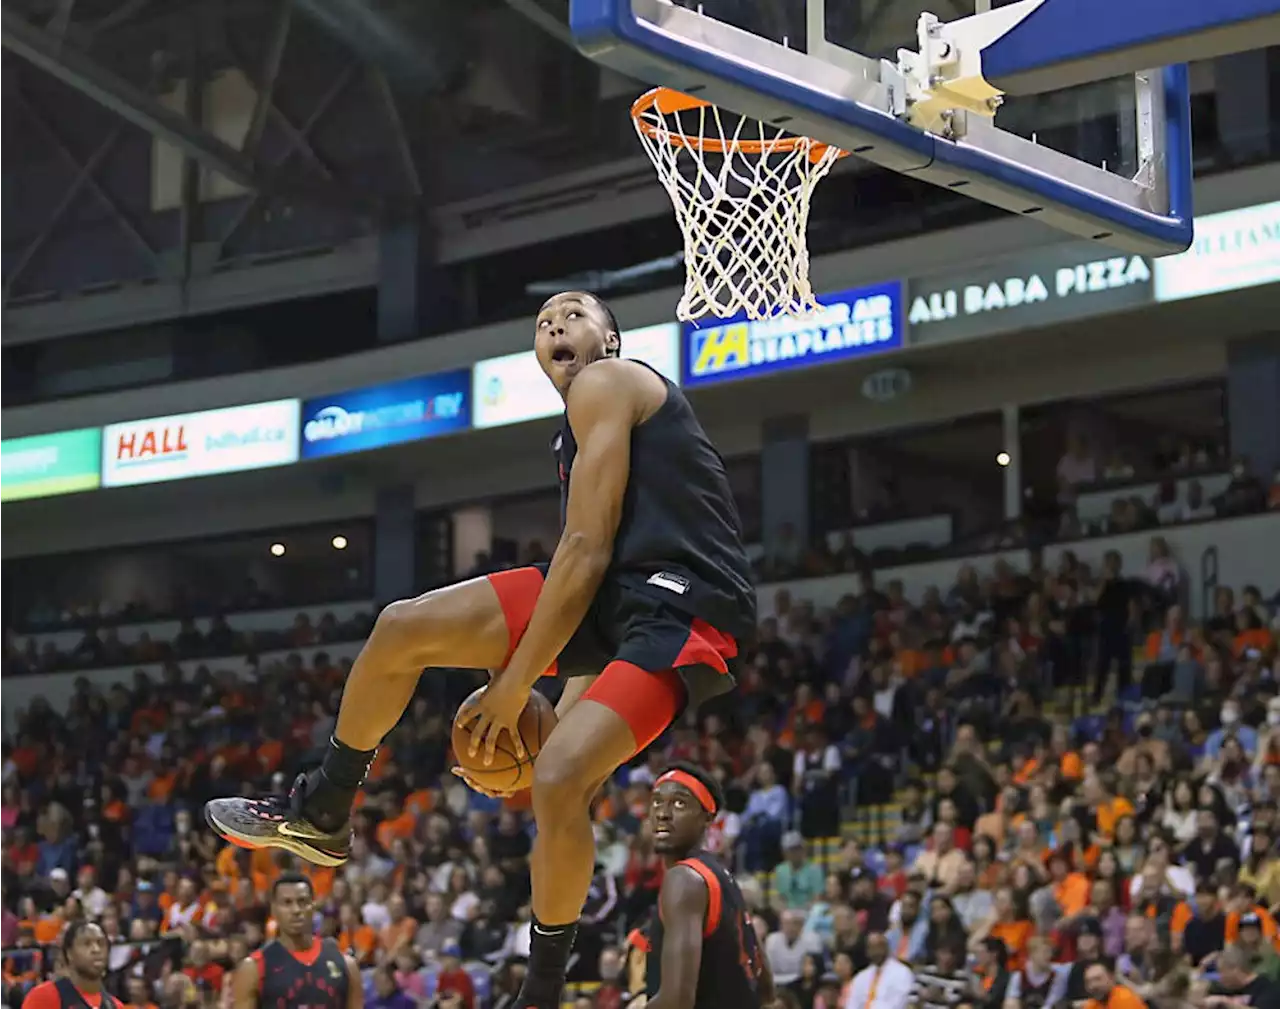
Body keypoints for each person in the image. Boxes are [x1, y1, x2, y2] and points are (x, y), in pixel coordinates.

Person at [206, 290, 756, 1009]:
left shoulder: (609, 381)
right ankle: (326, 804)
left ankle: (543, 987)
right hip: (620, 598)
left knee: (559, 779)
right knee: (402, 628)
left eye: (573, 313)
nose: (555, 325)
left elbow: (583, 552)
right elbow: (585, 597)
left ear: (611, 338)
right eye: (542, 321)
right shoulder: (576, 427)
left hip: (685, 601)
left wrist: (509, 688)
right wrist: (524, 735)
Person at [637, 762, 775, 1009]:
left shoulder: (684, 879)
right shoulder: (723, 876)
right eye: (657, 801)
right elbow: (765, 986)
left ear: (707, 819)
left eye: (679, 803)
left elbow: (677, 1002)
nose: (663, 813)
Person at [230, 874, 361, 1009]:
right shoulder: (254, 968)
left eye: (302, 902)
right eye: (287, 902)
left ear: (313, 906)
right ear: (274, 910)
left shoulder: (346, 964)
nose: (296, 910)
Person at [21, 921, 114, 1009]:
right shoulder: (43, 997)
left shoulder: (115, 1005)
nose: (96, 949)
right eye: (87, 944)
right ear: (69, 953)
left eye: (101, 943)